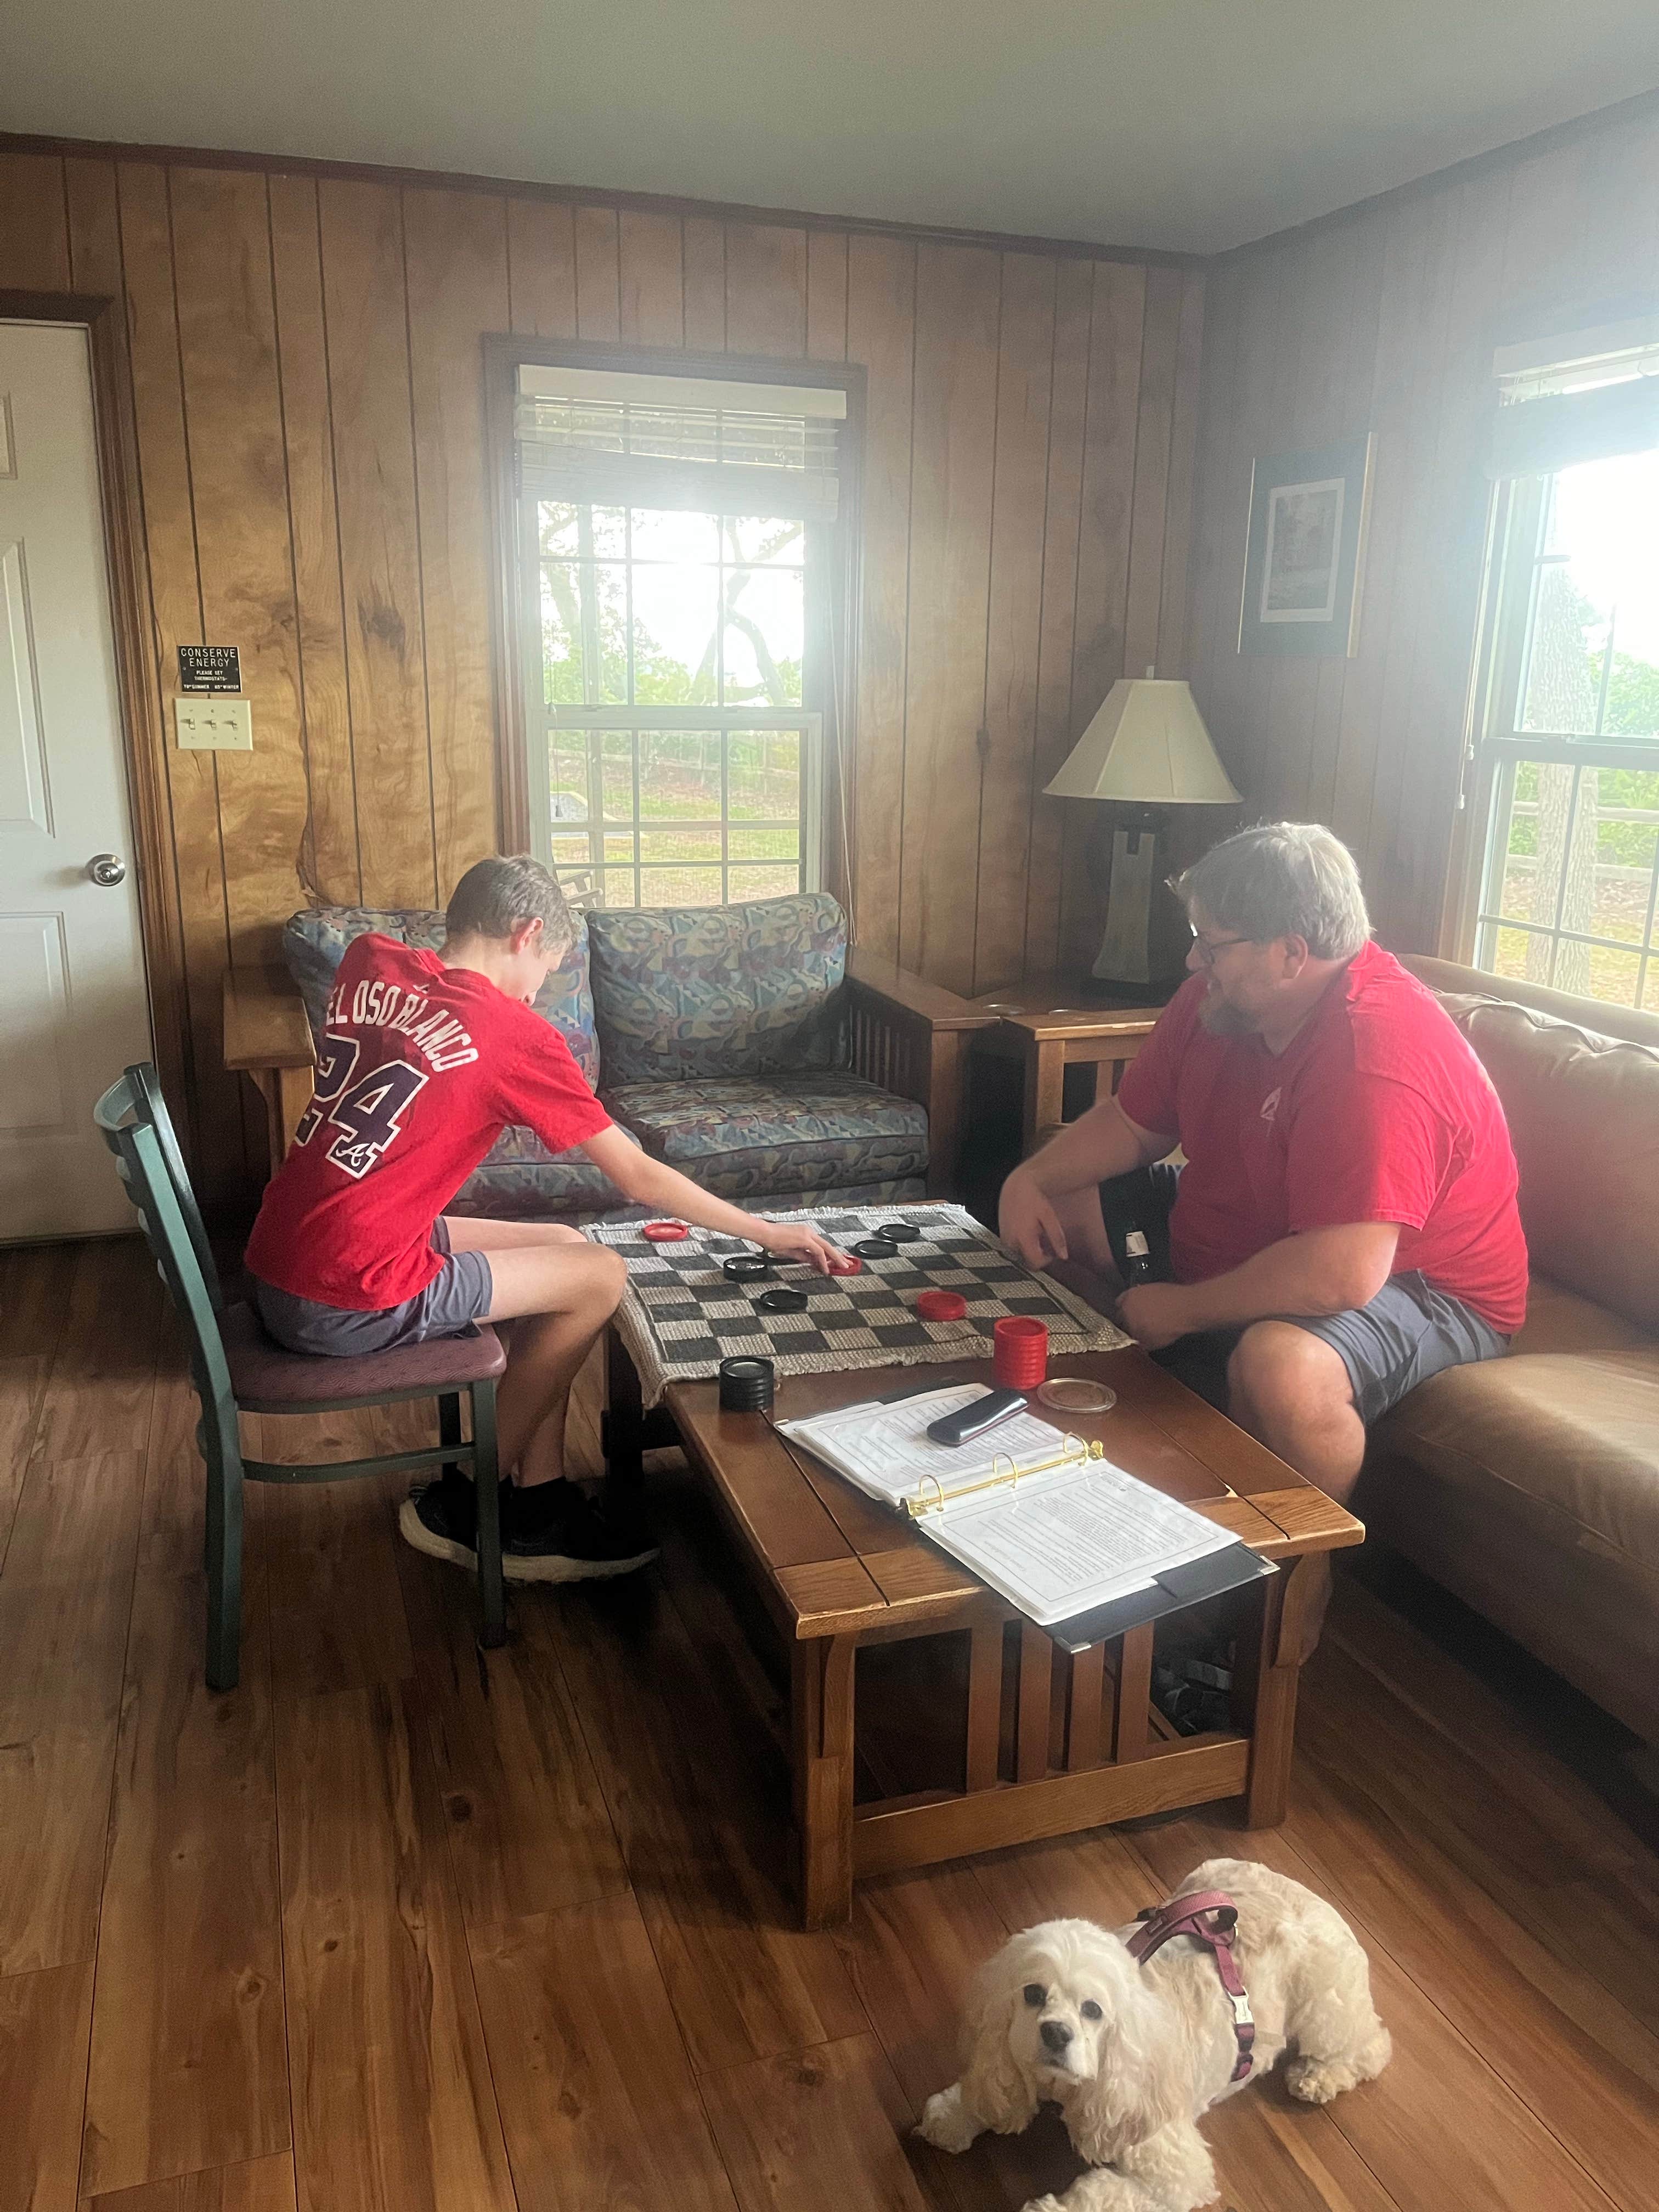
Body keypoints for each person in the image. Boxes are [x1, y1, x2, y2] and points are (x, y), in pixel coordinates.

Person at [244, 855, 837, 1584]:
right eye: (548, 969)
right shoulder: (513, 1035)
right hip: (344, 1293)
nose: (539, 991)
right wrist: (770, 1232)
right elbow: (638, 1175)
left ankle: (541, 1497)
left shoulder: (371, 962)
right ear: (527, 934)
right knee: (603, 1275)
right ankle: (468, 1504)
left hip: (286, 1254)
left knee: (566, 1249)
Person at [999, 822, 1527, 1521]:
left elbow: (1343, 1273)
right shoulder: (1219, 1002)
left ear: (1291, 954)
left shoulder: (1375, 1057)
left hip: (1418, 1279)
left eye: (1211, 944)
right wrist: (1028, 1181)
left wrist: (1180, 1308)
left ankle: (1294, 1596)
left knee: (1282, 1369)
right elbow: (1133, 1125)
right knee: (1059, 1209)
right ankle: (1141, 1439)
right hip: (1272, 1225)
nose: (1193, 961)